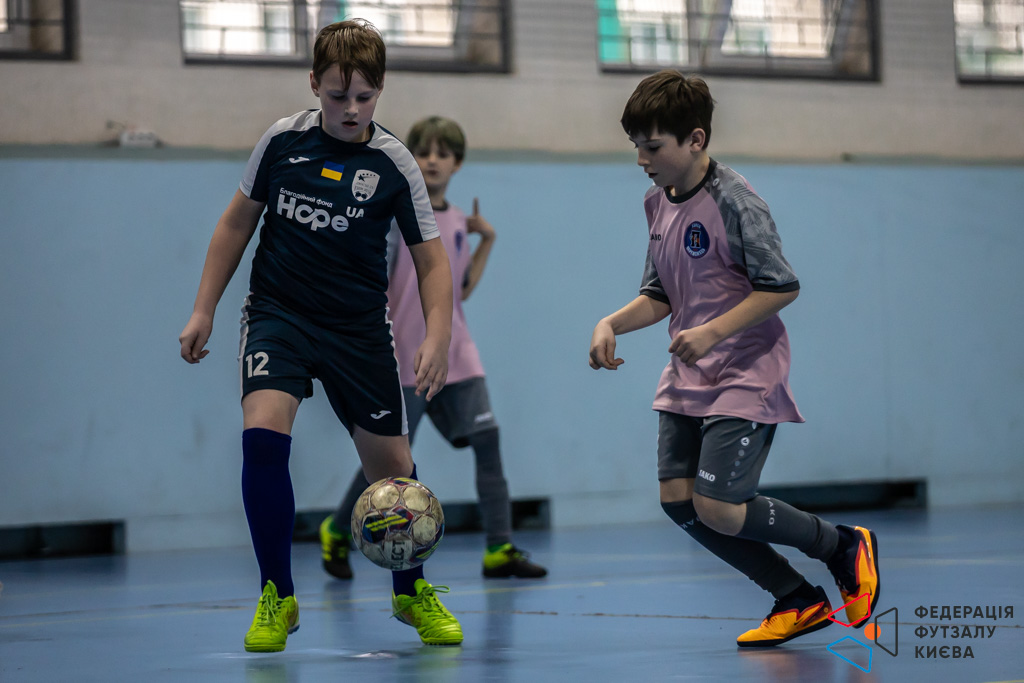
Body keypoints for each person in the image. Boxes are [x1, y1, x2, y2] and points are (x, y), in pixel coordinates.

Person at [178, 20, 463, 652]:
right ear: (314, 84)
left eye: (365, 96)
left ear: (380, 91)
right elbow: (235, 225)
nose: (352, 109)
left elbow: (432, 260)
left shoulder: (394, 163)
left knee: (394, 472)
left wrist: (437, 336)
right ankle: (276, 596)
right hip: (278, 315)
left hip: (357, 330)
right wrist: (204, 310)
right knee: (262, 435)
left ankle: (411, 592)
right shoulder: (283, 142)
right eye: (338, 96)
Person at [589, 70, 879, 647]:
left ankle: (841, 546)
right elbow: (661, 294)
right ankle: (796, 598)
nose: (641, 160)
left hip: (746, 369)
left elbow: (781, 286)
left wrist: (712, 332)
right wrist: (610, 323)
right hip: (689, 374)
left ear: (695, 139)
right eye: (636, 147)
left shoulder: (736, 201)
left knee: (719, 506)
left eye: (653, 147)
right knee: (679, 503)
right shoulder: (656, 203)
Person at [319, 116, 547, 581]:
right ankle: (338, 528)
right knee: (391, 460)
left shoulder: (459, 221)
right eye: (424, 152)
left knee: (488, 441)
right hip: (405, 356)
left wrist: (488, 240)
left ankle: (499, 547)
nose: (432, 161)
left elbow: (458, 291)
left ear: (457, 163)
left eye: (443, 153)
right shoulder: (393, 218)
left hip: (456, 353)